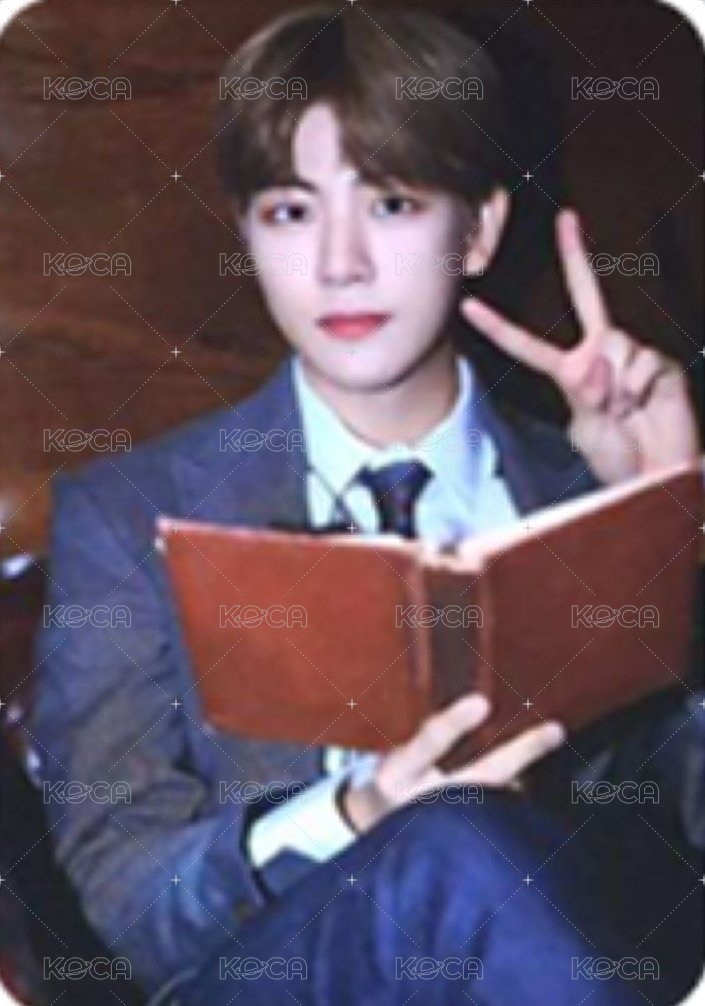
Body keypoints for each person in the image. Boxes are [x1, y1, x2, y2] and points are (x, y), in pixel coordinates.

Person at [28, 4, 703, 1005]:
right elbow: (131, 907)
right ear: (249, 236)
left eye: (389, 203)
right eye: (290, 212)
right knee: (455, 840)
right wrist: (357, 811)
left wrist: (673, 531)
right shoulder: (130, 518)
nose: (338, 263)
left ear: (478, 230)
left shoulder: (580, 498)